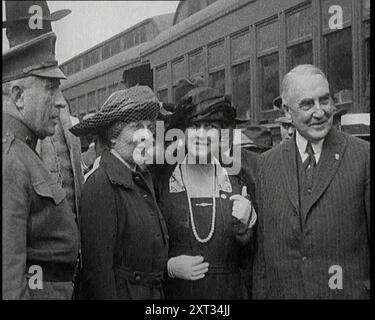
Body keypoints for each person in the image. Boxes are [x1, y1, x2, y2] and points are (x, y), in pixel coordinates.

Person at [253, 64, 370, 299]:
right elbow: (263, 259)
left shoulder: (363, 156)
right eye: (307, 104)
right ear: (287, 111)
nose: (320, 112)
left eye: (325, 100)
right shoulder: (267, 165)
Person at [2, 1, 79, 300]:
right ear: (18, 96)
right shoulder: (10, 161)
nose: (61, 102)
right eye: (50, 88)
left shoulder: (22, 151)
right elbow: (9, 287)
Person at [155, 79, 258, 299]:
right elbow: (137, 248)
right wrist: (168, 266)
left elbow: (255, 258)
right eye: (194, 126)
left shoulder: (240, 180)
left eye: (210, 127)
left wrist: (246, 229)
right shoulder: (162, 181)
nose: (201, 135)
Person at [69, 86, 169, 300]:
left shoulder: (141, 179)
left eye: (147, 127)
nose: (146, 135)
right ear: (113, 137)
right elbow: (98, 275)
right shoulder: (101, 185)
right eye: (135, 127)